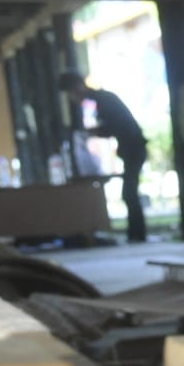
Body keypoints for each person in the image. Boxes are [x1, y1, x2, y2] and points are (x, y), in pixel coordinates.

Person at [60, 71, 148, 242]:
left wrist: (94, 132)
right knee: (129, 192)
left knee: (129, 192)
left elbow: (117, 127)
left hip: (134, 148)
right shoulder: (98, 100)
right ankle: (135, 233)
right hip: (130, 148)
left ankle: (138, 233)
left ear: (77, 87)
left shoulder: (102, 100)